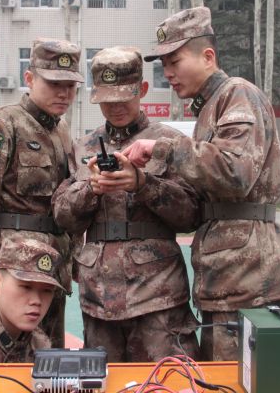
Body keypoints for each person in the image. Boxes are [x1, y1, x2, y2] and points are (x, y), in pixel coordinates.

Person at [122, 7, 280, 361]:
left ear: (208, 57)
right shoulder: (210, 107)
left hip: (249, 281)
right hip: (228, 278)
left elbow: (235, 173)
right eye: (164, 65)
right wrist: (143, 182)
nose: (168, 73)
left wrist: (164, 147)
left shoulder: (237, 94)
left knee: (243, 379)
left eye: (175, 61)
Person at [52, 46, 201, 363]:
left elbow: (191, 214)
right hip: (99, 297)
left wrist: (143, 184)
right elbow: (63, 216)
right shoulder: (83, 147)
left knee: (168, 379)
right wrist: (91, 189)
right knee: (102, 380)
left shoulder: (167, 142)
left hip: (157, 294)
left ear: (142, 89)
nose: (116, 107)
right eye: (107, 100)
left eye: (124, 97)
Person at [0, 37, 82, 348]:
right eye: (54, 83)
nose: (63, 93)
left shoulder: (61, 132)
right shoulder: (1, 125)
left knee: (48, 355)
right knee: (6, 355)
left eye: (70, 85)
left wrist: (74, 260)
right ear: (30, 78)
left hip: (51, 269)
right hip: (13, 271)